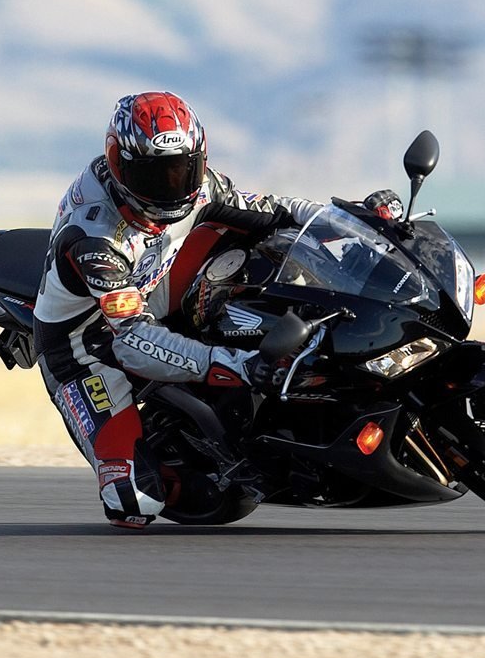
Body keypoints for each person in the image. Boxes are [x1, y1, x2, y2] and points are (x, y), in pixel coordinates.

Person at [34, 91, 320, 529]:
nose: (172, 185)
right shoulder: (95, 239)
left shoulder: (202, 186)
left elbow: (275, 209)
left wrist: (350, 217)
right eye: (154, 174)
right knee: (134, 505)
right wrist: (235, 365)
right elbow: (130, 342)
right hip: (88, 344)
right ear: (118, 164)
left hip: (154, 286)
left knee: (263, 247)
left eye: (181, 169)